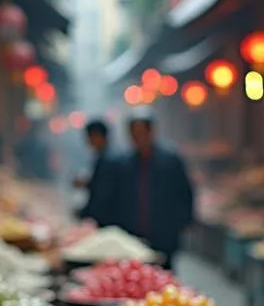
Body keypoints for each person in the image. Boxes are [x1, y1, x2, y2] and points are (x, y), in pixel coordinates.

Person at [114, 114, 194, 269]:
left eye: (141, 132)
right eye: (133, 133)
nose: (137, 138)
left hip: (164, 232)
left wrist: (182, 222)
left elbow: (184, 192)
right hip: (133, 232)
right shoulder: (123, 163)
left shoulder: (170, 160)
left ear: (151, 132)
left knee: (164, 275)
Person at [78, 119, 118, 226]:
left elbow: (103, 192)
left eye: (89, 137)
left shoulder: (107, 159)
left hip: (107, 219)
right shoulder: (105, 156)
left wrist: (86, 214)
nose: (88, 142)